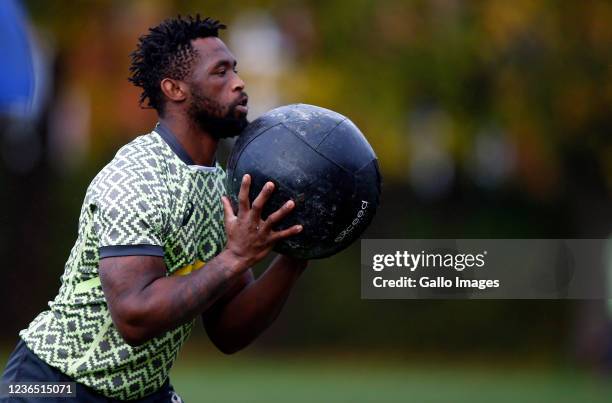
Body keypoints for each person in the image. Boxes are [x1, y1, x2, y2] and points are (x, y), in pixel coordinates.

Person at [2, 15, 307, 402]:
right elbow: (134, 315)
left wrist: (296, 255)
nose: (239, 82)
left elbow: (228, 332)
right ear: (175, 88)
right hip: (52, 383)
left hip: (143, 391)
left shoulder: (220, 186)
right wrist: (235, 258)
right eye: (220, 72)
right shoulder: (136, 179)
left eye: (235, 69)